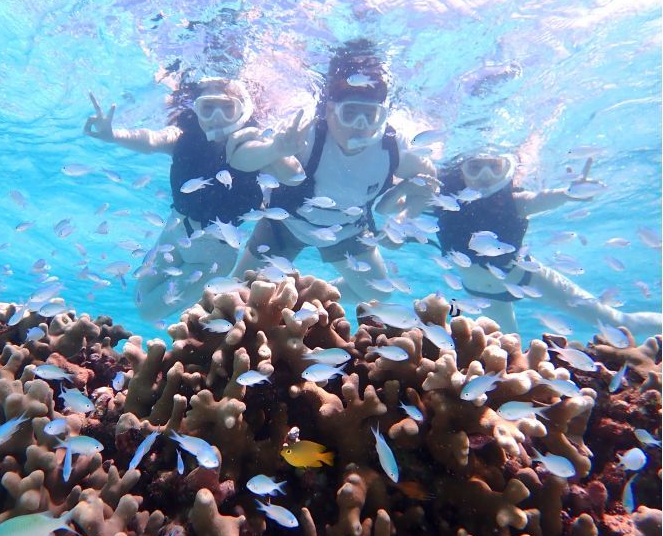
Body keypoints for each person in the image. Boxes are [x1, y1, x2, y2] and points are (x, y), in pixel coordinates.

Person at [231, 40, 437, 301]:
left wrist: (405, 219)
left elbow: (429, 179)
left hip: (348, 229)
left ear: (382, 116)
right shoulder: (305, 135)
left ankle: (306, 297)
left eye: (370, 116)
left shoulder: (393, 149)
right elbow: (240, 159)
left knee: (378, 295)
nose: (360, 125)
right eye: (350, 113)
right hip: (286, 223)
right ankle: (291, 297)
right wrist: (275, 149)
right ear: (329, 111)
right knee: (237, 293)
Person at [84, 76, 302, 320]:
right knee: (141, 293)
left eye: (227, 107)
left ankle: (212, 320)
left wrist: (279, 150)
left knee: (148, 312)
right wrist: (113, 135)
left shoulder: (256, 145)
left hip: (213, 255)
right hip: (174, 231)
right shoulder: (183, 137)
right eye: (207, 108)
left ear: (244, 109)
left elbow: (293, 176)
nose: (217, 117)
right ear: (195, 109)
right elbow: (152, 139)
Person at [412, 149, 662, 336]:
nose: (485, 175)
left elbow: (541, 198)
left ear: (506, 170)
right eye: (475, 167)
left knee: (620, 323)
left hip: (528, 278)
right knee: (508, 355)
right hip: (485, 297)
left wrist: (570, 194)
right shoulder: (444, 204)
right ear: (461, 171)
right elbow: (399, 208)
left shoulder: (514, 202)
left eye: (494, 166)